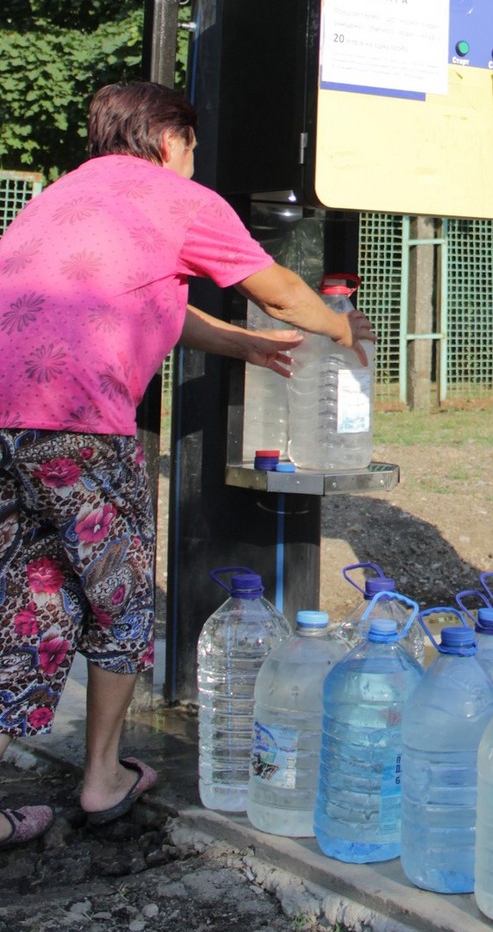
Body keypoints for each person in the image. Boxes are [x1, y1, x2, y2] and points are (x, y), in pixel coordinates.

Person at [0, 80, 374, 848]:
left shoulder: (64, 198)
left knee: (28, 599)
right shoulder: (180, 199)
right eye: (192, 146)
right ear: (171, 139)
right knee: (124, 598)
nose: (193, 159)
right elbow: (279, 288)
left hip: (9, 429)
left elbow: (154, 303)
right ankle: (102, 780)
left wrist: (246, 346)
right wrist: (340, 332)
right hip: (79, 429)